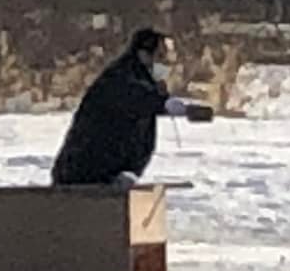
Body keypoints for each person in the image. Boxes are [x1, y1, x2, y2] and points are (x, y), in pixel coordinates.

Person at [51, 27, 213, 187]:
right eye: (161, 57)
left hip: (110, 177)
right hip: (82, 175)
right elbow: (137, 98)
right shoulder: (120, 77)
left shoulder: (147, 81)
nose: (166, 64)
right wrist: (172, 106)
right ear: (143, 54)